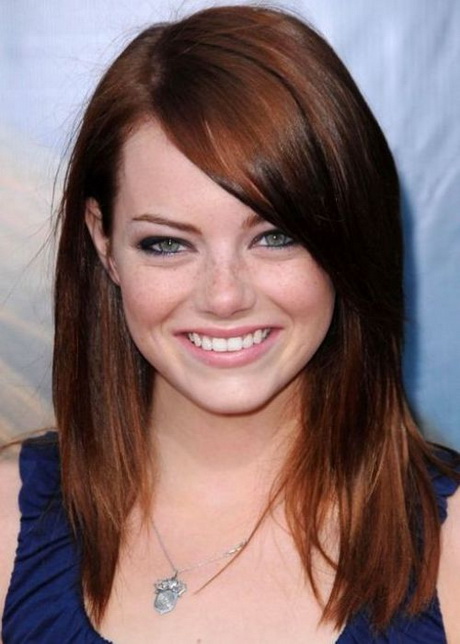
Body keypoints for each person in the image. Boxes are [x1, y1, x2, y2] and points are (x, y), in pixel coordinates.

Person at [1, 5, 459, 642]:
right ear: (104, 243)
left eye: (276, 236)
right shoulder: (5, 519)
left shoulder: (452, 545)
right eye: (167, 244)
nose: (224, 297)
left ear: (350, 236)